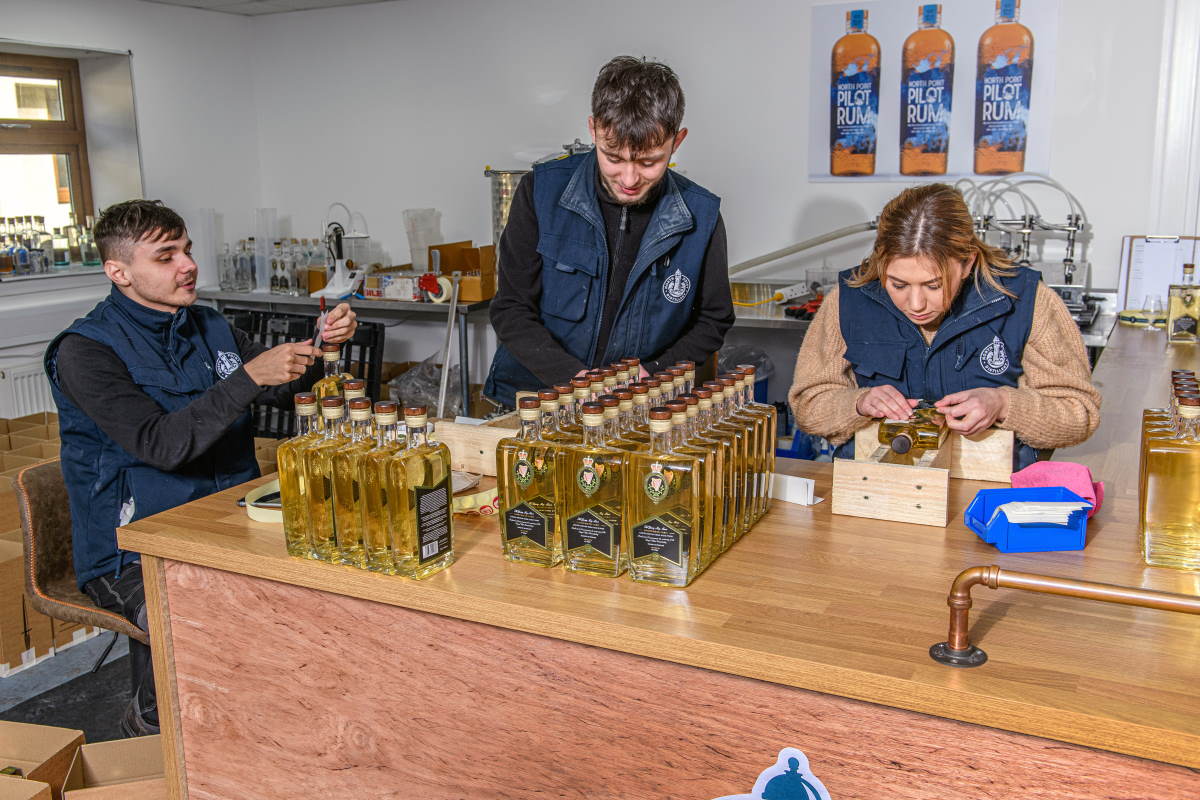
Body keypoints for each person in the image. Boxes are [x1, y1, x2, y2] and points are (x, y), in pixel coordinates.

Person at [43, 199, 357, 736]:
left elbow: (282, 393)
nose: (187, 265)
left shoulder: (208, 325)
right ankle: (153, 727)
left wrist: (319, 347)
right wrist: (250, 378)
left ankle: (283, 726)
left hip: (226, 518)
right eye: (165, 256)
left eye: (186, 250)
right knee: (202, 612)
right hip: (132, 546)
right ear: (118, 272)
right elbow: (160, 445)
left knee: (330, 577)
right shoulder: (85, 351)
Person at [788, 183, 1100, 469]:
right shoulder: (849, 300)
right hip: (874, 491)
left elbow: (1078, 414)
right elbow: (808, 406)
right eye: (898, 284)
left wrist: (1004, 404)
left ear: (967, 262)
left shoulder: (1026, 301)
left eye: (933, 285)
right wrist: (857, 403)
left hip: (990, 498)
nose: (916, 303)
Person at [484, 55, 734, 408]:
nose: (630, 179)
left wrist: (655, 373)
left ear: (677, 142)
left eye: (649, 162)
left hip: (637, 409)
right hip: (535, 402)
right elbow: (511, 307)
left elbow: (714, 319)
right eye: (613, 157)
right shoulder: (540, 193)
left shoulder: (701, 216)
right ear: (594, 129)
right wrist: (575, 380)